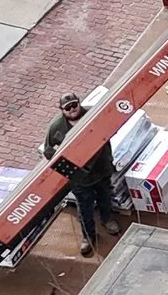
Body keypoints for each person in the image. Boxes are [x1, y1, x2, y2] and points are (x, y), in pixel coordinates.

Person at [43, 93, 126, 257]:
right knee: (85, 207)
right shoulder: (56, 127)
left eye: (74, 105)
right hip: (79, 177)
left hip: (101, 168)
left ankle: (107, 220)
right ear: (61, 110)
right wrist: (68, 166)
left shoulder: (93, 116)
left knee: (105, 196)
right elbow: (48, 151)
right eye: (67, 107)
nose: (72, 109)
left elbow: (111, 129)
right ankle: (88, 236)